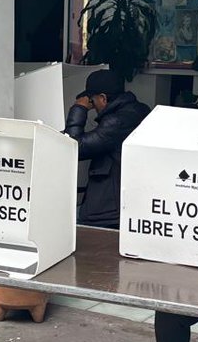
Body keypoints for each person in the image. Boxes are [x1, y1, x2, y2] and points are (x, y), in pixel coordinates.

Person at [64, 69, 151, 228]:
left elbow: (73, 146)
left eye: (92, 100)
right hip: (123, 202)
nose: (92, 105)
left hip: (108, 209)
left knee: (62, 222)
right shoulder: (137, 111)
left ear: (103, 98)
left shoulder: (115, 122)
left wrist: (79, 108)